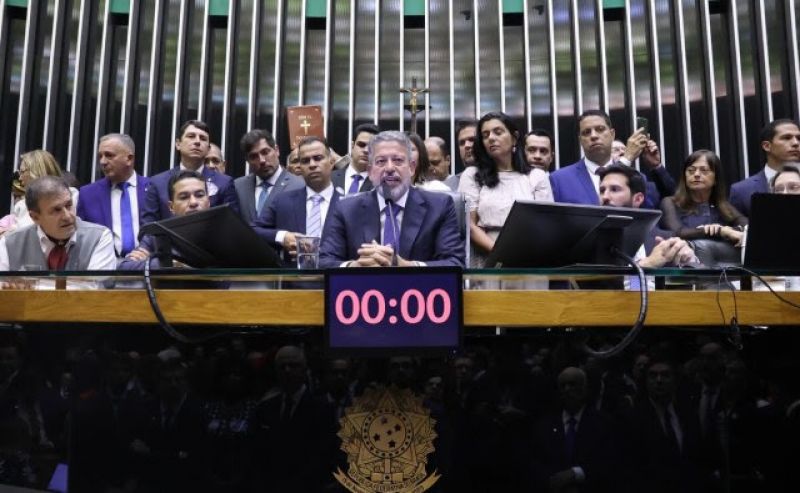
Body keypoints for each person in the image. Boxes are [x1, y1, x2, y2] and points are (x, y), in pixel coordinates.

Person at [319, 130, 465, 268]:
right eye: (381, 161)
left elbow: (454, 262)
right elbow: (324, 261)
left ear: (412, 167)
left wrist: (407, 266)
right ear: (369, 171)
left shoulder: (440, 206)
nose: (389, 168)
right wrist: (356, 266)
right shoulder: (346, 209)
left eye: (398, 160)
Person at [457, 111, 553, 267]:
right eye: (485, 135)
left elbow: (546, 224)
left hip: (530, 257)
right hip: (488, 256)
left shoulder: (537, 176)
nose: (491, 138)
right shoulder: (472, 175)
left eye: (498, 132)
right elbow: (469, 225)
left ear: (514, 138)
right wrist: (501, 253)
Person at [253, 136, 342, 264]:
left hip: (333, 280)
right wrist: (283, 237)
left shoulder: (348, 203)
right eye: (305, 161)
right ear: (300, 166)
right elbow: (253, 230)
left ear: (331, 162)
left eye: (318, 158)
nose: (312, 165)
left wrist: (316, 252)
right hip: (294, 281)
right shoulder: (283, 201)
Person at [0, 176, 115, 272]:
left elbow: (93, 291)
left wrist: (30, 286)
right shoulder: (9, 244)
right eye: (56, 210)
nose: (67, 216)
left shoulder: (100, 237)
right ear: (35, 217)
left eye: (69, 205)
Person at [549, 110, 658, 208]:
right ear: (580, 140)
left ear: (612, 134)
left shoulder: (638, 178)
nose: (593, 136)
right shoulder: (559, 180)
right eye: (586, 132)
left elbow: (647, 223)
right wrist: (626, 159)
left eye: (600, 129)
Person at [598, 164, 697, 268]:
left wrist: (690, 260)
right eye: (602, 191)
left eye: (614, 189)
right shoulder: (590, 243)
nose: (605, 197)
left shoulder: (665, 240)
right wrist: (647, 264)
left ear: (637, 199)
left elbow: (704, 280)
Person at [142, 120, 239, 223]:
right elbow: (148, 227)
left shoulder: (224, 183)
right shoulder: (157, 183)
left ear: (208, 148)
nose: (197, 141)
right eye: (191, 136)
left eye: (203, 138)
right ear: (178, 144)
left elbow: (231, 225)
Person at [118, 170, 210, 270]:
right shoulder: (157, 235)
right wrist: (168, 264)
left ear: (208, 201)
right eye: (184, 197)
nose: (193, 202)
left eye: (199, 195)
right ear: (171, 207)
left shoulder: (224, 231)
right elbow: (125, 267)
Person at [76, 133, 149, 257]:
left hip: (147, 266)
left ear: (129, 159)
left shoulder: (153, 188)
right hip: (104, 268)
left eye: (109, 155)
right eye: (100, 156)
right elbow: (80, 238)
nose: (103, 162)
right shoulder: (87, 194)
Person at [659, 150, 746, 248]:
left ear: (716, 179)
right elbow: (677, 233)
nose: (696, 174)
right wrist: (718, 231)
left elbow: (746, 226)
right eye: (691, 170)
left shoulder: (721, 205)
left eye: (704, 170)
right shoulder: (670, 202)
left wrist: (728, 230)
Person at [730, 119, 800, 217]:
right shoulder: (741, 191)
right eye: (787, 138)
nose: (796, 143)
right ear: (767, 146)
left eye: (799, 138)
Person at [233, 129, 304, 224]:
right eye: (254, 156)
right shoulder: (238, 187)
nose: (262, 160)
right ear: (247, 160)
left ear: (277, 150)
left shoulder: (299, 186)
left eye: (265, 152)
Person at [1, 150, 79, 236]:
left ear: (35, 171)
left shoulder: (72, 194)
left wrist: (7, 232)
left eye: (22, 172)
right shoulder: (22, 205)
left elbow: (25, 231)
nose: (20, 178)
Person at [332, 123, 380, 195]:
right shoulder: (330, 178)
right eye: (361, 145)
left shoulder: (380, 184)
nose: (366, 150)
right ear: (352, 146)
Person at [444, 118, 478, 191]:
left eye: (472, 140)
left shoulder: (503, 179)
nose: (466, 145)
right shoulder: (448, 187)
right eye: (462, 143)